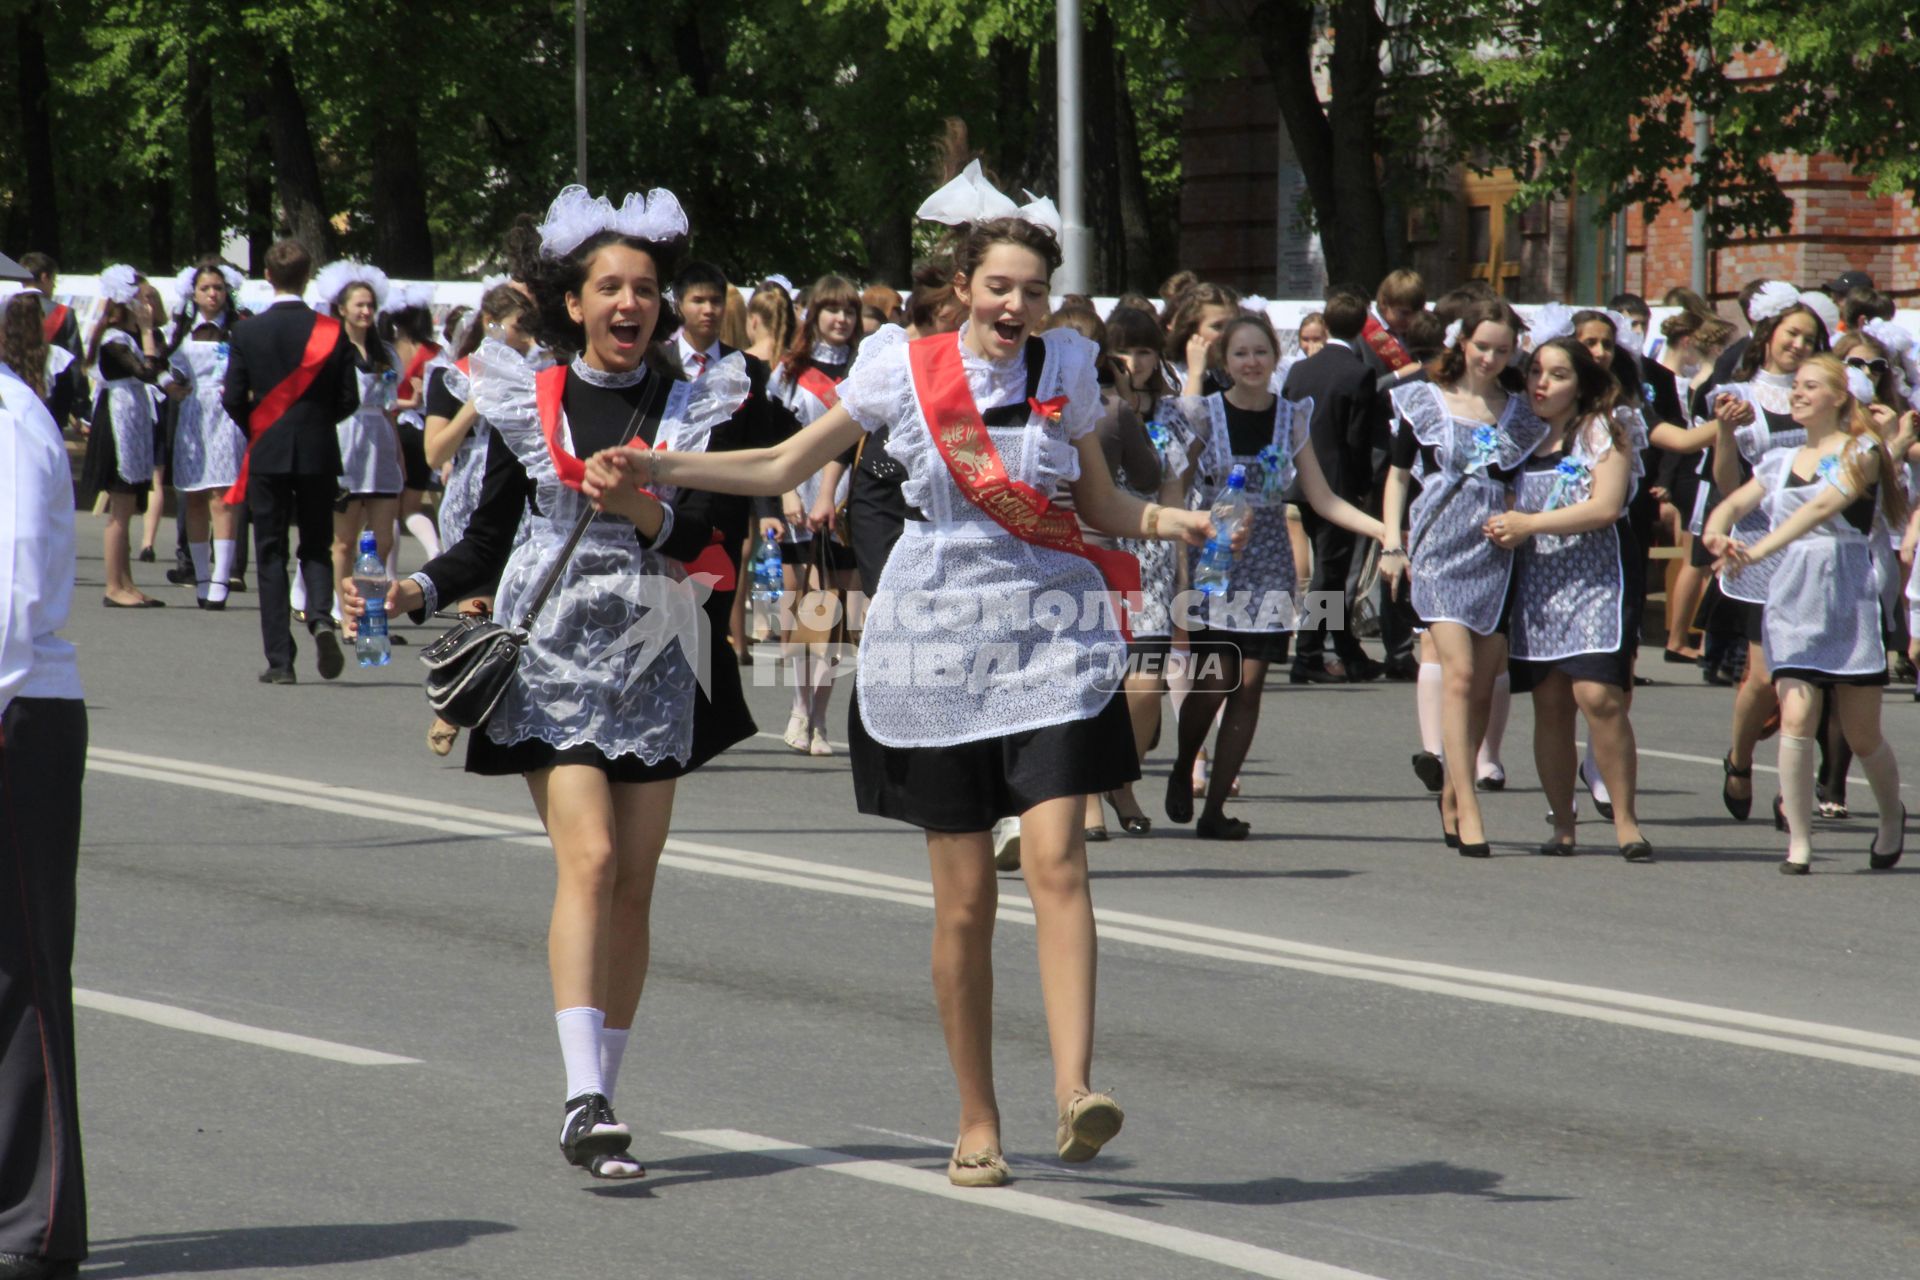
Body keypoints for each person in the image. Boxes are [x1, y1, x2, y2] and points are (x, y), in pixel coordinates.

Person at [582, 172, 1232, 1189]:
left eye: (1032, 288)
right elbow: (784, 466)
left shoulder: (1067, 365)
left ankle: (1075, 1089)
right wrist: (661, 470)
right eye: (998, 286)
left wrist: (1166, 521)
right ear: (963, 284)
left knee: (1058, 856)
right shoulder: (901, 368)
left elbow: (1101, 505)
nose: (1014, 305)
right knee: (964, 901)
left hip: (1048, 637)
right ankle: (977, 1118)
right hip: (933, 640)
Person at [349, 184, 756, 1179]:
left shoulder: (699, 402)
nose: (632, 302)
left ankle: (606, 1089)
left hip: (657, 648)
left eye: (647, 287)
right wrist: (417, 585)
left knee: (636, 879)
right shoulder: (523, 394)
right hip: (551, 649)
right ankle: (582, 1097)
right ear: (573, 301)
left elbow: (713, 539)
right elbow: (487, 534)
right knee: (593, 856)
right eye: (611, 286)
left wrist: (647, 510)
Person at [1166, 312, 1387, 839]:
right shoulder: (1205, 415)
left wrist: (1384, 531)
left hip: (1268, 557)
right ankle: (1183, 764)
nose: (1251, 362)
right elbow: (1172, 488)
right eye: (1240, 353)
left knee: (1250, 685)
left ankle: (1216, 810)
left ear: (1275, 357)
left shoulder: (1291, 418)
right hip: (1216, 554)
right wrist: (1184, 540)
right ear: (1226, 361)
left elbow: (1323, 496)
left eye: (1260, 352)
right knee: (1216, 675)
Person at [1706, 355, 1907, 873]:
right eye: (1795, 385)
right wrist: (1717, 529)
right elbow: (1735, 501)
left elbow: (1820, 509)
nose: (1796, 393)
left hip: (1848, 595)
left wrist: (1755, 550)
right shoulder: (1779, 460)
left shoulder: (1863, 451)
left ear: (1840, 397)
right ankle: (1800, 841)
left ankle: (1891, 816)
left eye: (1810, 386)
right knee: (1796, 716)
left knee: (1863, 735)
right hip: (1792, 597)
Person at [1380, 299, 1548, 857]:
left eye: (1503, 350)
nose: (1491, 358)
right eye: (1483, 347)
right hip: (1434, 548)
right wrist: (1390, 543)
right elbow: (1398, 475)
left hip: (1494, 554)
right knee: (1458, 672)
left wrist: (1523, 522)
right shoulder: (1425, 399)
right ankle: (1469, 807)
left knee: (1480, 682)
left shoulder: (1522, 413)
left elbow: (1531, 481)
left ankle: (1452, 789)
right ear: (1462, 342)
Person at [1493, 337, 1650, 860]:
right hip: (1538, 586)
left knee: (1598, 697)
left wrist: (1529, 522)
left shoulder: (1605, 429)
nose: (1541, 383)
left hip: (1598, 579)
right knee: (1551, 704)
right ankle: (1563, 824)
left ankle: (1626, 822)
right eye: (1536, 371)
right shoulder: (1521, 437)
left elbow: (1605, 506)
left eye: (1557, 374)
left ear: (1581, 382)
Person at [0, 363, 88, 1280]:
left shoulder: (9, 419)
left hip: (17, 708)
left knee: (21, 972)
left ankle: (34, 1224)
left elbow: (13, 589)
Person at [1705, 287, 1828, 823]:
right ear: (1769, 336)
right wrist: (1726, 433)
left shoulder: (1825, 396)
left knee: (1803, 676)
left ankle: (1792, 788)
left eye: (1810, 338)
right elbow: (1727, 482)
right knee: (1761, 678)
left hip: (1812, 553)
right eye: (1791, 334)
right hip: (1758, 551)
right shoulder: (1739, 394)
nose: (1798, 345)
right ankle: (1739, 757)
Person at [222, 238, 361, 684]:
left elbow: (230, 397)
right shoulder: (332, 330)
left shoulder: (246, 331)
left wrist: (260, 427)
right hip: (319, 451)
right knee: (316, 545)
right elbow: (348, 398)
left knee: (269, 554)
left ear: (267, 275)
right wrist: (317, 424)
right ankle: (320, 617)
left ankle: (281, 662)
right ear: (308, 277)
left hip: (268, 453)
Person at [1102, 304, 1195, 837]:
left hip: (1154, 559)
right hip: (1099, 550)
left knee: (1145, 682)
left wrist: (1182, 570)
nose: (1133, 362)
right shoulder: (1092, 407)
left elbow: (1175, 491)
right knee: (1097, 680)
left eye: (1143, 351)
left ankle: (1119, 777)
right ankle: (1103, 788)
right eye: (1122, 351)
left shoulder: (1172, 414)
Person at [769, 275, 863, 755]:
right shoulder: (789, 372)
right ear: (814, 315)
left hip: (850, 503)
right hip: (800, 501)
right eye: (831, 310)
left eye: (848, 310)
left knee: (842, 615)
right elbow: (775, 442)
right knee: (808, 608)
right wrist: (785, 495)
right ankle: (800, 708)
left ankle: (821, 718)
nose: (841, 319)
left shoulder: (869, 368)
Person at [1284, 286, 1385, 684]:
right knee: (1330, 572)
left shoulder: (1299, 369)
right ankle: (1307, 653)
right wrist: (1361, 488)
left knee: (1330, 568)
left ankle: (1348, 652)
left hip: (1300, 480)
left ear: (1325, 324)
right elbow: (1357, 440)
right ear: (1362, 328)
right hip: (1338, 485)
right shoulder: (1358, 373)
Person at [77, 265, 166, 609]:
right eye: (143, 298)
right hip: (116, 423)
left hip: (133, 418)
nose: (149, 304)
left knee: (128, 506)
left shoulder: (128, 337)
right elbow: (147, 372)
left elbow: (158, 371)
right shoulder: (116, 338)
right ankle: (113, 585)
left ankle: (127, 581)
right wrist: (146, 333)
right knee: (120, 508)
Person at [161, 258, 248, 609]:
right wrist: (168, 384)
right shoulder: (182, 328)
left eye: (218, 288)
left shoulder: (239, 327)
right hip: (193, 415)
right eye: (205, 288)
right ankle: (200, 575)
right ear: (194, 294)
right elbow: (161, 366)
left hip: (226, 414)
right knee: (194, 496)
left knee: (223, 496)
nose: (212, 294)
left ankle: (222, 576)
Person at [1163, 283, 1239, 396]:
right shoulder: (1170, 375)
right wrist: (1195, 374)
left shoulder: (1230, 373)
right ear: (1191, 330)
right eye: (1217, 326)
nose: (1227, 333)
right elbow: (1189, 412)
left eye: (1233, 325)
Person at [1360, 268, 1426, 390]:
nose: (1411, 320)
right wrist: (1398, 375)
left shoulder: (1415, 331)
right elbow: (1358, 387)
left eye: (1416, 314)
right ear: (1384, 303)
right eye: (1404, 313)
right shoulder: (1360, 330)